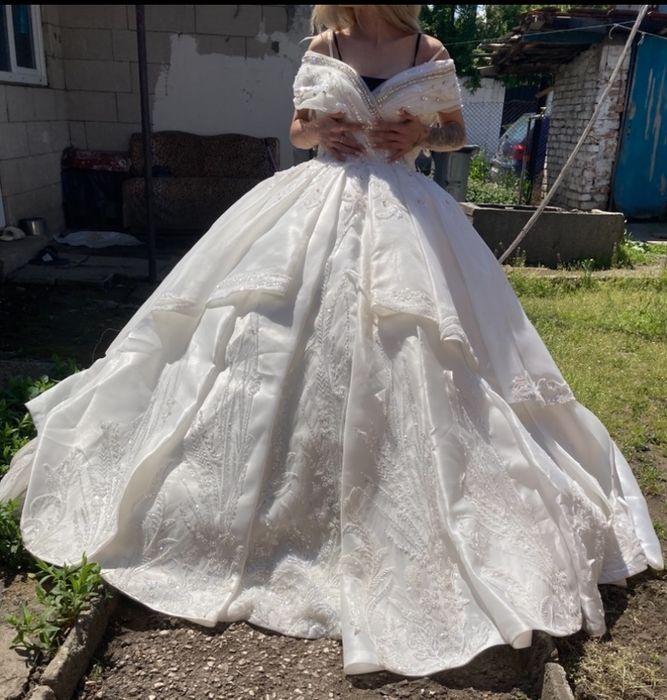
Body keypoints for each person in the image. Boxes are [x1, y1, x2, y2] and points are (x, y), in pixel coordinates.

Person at [0, 4, 662, 679]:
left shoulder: (427, 49)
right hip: (315, 205)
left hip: (407, 216)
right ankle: (254, 518)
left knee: (417, 353)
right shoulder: (325, 42)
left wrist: (422, 132)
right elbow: (296, 127)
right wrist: (319, 129)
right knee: (261, 346)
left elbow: (456, 133)